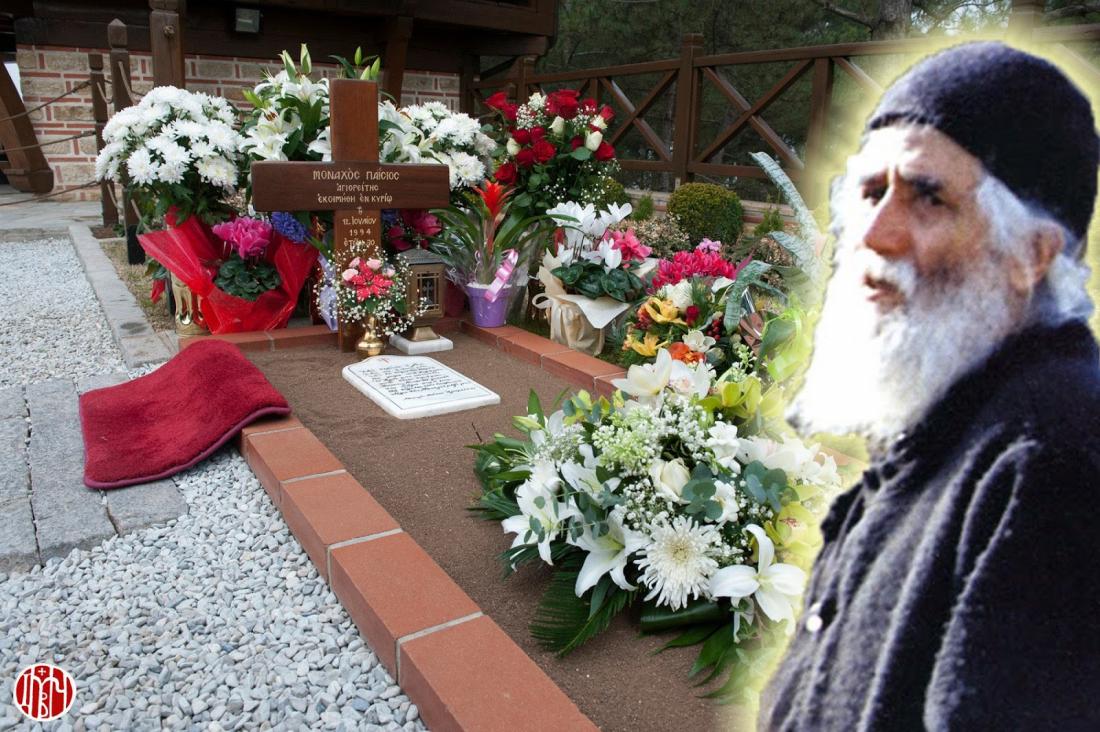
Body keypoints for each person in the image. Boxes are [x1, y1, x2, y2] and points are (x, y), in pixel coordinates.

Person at [761, 41, 1100, 730]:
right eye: (870, 192)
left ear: (1032, 256)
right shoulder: (953, 413)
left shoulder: (1049, 463)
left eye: (927, 197)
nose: (875, 233)